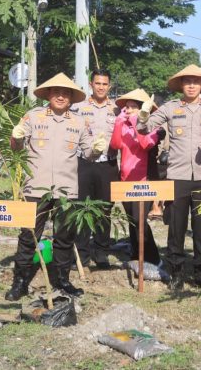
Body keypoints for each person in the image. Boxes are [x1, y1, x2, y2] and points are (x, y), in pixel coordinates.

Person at [6, 73, 106, 300]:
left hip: (66, 190)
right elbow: (16, 148)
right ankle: (20, 282)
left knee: (64, 237)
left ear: (71, 98)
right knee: (29, 236)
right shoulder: (33, 117)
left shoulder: (79, 122)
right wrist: (17, 137)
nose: (61, 97)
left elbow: (89, 154)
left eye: (66, 93)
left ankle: (62, 279)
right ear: (48, 94)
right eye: (56, 92)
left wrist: (98, 149)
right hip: (35, 188)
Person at [136, 64, 201, 291]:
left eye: (196, 81)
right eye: (187, 82)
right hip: (177, 176)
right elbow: (144, 129)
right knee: (176, 226)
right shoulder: (170, 108)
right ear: (182, 85)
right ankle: (175, 271)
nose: (192, 85)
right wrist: (142, 115)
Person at [70, 69, 120, 268]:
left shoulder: (117, 109)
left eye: (104, 84)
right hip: (84, 163)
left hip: (108, 165)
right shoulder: (77, 108)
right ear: (91, 84)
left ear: (109, 86)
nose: (101, 87)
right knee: (82, 207)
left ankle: (101, 253)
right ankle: (81, 253)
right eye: (97, 83)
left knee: (104, 209)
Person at [109, 88, 162, 265]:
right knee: (131, 220)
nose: (128, 110)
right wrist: (118, 123)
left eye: (133, 107)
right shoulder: (123, 125)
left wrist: (136, 121)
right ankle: (135, 255)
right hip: (125, 178)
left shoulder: (155, 127)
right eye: (127, 107)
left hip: (144, 179)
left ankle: (152, 257)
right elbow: (116, 145)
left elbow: (146, 144)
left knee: (141, 220)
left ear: (142, 109)